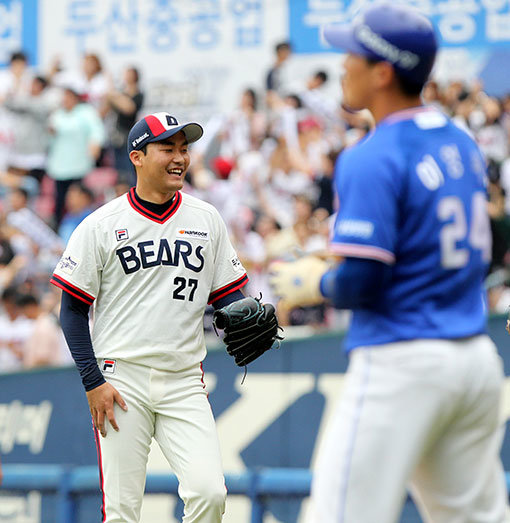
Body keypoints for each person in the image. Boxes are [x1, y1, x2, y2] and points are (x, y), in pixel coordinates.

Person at [269, 4, 509, 522]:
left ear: (382, 72)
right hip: (474, 360)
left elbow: (362, 280)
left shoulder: (370, 154)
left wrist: (317, 282)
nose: (343, 65)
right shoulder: (459, 142)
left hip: (403, 362)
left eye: (352, 54)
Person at [51, 112, 252, 522]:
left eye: (184, 148)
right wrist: (93, 382)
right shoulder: (102, 225)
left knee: (209, 492)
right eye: (168, 148)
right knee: (123, 511)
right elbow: (72, 312)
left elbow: (230, 296)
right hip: (120, 378)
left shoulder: (206, 219)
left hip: (183, 379)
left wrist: (246, 317)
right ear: (138, 157)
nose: (180, 157)